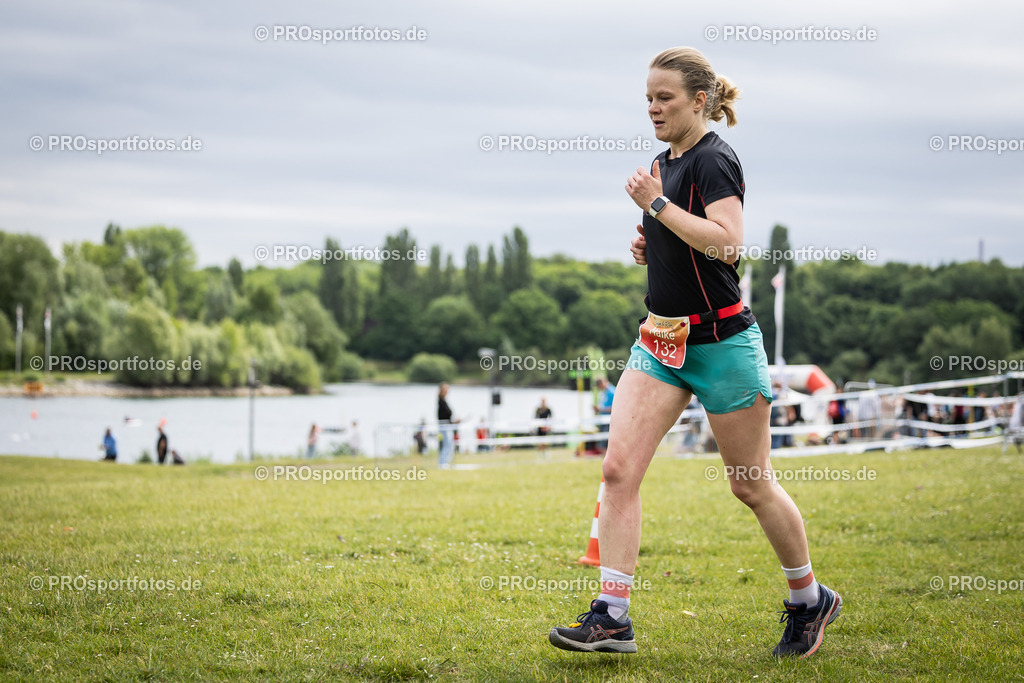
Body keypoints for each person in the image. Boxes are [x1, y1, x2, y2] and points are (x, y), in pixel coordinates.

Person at [549, 47, 840, 660]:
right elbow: (685, 238)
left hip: (722, 342)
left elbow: (729, 244)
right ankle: (612, 617)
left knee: (750, 484)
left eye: (665, 98)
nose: (653, 108)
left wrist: (656, 207)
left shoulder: (715, 158)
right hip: (659, 339)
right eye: (648, 99)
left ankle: (809, 599)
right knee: (617, 471)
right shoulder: (665, 162)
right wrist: (650, 244)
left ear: (699, 100)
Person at [437, 383, 455, 468]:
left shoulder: (443, 401)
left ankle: (446, 462)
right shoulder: (441, 401)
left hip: (447, 425)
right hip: (444, 426)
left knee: (449, 444)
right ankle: (443, 462)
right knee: (446, 444)